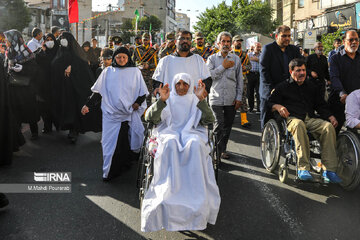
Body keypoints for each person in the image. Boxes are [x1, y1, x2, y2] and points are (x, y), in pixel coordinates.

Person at [141, 73, 220, 232]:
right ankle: (168, 193)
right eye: (178, 83)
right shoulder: (167, 98)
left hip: (192, 133)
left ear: (190, 85)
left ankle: (195, 195)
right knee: (169, 144)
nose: (182, 87)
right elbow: (150, 118)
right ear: (174, 84)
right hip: (169, 132)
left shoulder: (195, 99)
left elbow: (209, 120)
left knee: (195, 145)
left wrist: (201, 101)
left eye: (185, 84)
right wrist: (161, 101)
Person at [268, 58, 341, 183]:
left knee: (328, 127)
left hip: (309, 118)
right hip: (292, 119)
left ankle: (329, 170)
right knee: (299, 124)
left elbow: (321, 105)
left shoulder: (311, 86)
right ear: (291, 71)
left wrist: (330, 116)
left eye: (303, 70)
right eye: (298, 71)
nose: (302, 73)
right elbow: (269, 103)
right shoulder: (282, 86)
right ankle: (303, 168)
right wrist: (277, 106)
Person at [82, 47, 148, 181]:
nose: (121, 60)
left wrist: (137, 103)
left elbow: (142, 92)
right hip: (110, 115)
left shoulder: (135, 72)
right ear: (114, 59)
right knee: (109, 143)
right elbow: (98, 92)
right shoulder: (107, 72)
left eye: (124, 57)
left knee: (125, 141)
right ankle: (109, 171)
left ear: (128, 58)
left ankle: (125, 164)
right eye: (118, 57)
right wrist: (87, 105)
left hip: (128, 114)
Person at [51, 32, 101, 143]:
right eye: (61, 38)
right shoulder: (60, 51)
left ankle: (74, 130)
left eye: (65, 38)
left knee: (74, 108)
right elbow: (55, 65)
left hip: (75, 87)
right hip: (63, 87)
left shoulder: (77, 53)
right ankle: (68, 127)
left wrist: (72, 67)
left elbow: (82, 65)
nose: (62, 40)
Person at [207, 32, 243, 160]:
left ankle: (222, 149)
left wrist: (239, 98)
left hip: (230, 99)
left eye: (228, 41)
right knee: (218, 124)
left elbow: (240, 80)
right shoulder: (212, 59)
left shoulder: (236, 59)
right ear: (218, 44)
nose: (226, 44)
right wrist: (223, 66)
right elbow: (209, 76)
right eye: (223, 41)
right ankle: (215, 150)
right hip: (215, 98)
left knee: (227, 126)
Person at [259, 25, 302, 128]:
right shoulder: (268, 49)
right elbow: (264, 71)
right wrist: (271, 90)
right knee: (267, 121)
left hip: (288, 91)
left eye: (289, 36)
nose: (287, 38)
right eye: (284, 36)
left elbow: (301, 66)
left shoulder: (294, 50)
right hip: (270, 90)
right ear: (277, 36)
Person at [4, 29, 40, 140]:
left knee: (29, 110)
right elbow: (6, 66)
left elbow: (34, 69)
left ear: (14, 39)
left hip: (26, 88)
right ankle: (17, 134)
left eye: (7, 39)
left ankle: (34, 132)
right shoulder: (9, 52)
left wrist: (23, 68)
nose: (6, 41)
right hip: (13, 86)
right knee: (15, 111)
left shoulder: (26, 52)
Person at [152, 30, 212, 95]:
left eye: (188, 39)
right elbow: (157, 82)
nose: (185, 41)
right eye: (182, 38)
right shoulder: (165, 61)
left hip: (193, 102)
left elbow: (207, 79)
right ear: (175, 41)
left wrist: (204, 92)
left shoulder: (198, 59)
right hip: (171, 102)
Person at [329, 29, 360, 134]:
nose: (354, 42)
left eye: (356, 39)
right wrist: (342, 93)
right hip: (340, 100)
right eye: (351, 40)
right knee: (334, 131)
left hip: (357, 102)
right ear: (344, 41)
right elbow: (334, 78)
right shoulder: (335, 59)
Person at [35, 33, 59, 133]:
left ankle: (58, 124)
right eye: (47, 39)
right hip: (44, 85)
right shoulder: (41, 52)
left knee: (56, 106)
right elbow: (37, 61)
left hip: (56, 84)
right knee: (45, 107)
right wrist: (43, 51)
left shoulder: (58, 51)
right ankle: (47, 126)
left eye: (51, 39)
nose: (49, 41)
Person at [231, 35, 252, 128]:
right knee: (231, 98)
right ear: (233, 42)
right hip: (231, 79)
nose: (239, 42)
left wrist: (245, 67)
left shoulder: (245, 54)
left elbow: (249, 66)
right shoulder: (229, 54)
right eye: (237, 41)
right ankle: (230, 118)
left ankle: (244, 119)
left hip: (243, 79)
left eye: (240, 41)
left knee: (243, 99)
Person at [132, 33, 158, 105]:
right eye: (144, 40)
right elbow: (132, 61)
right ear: (142, 40)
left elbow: (156, 64)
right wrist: (138, 65)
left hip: (149, 75)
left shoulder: (152, 50)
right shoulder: (137, 49)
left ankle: (147, 110)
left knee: (148, 94)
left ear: (149, 40)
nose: (145, 41)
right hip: (139, 74)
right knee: (138, 92)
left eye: (147, 40)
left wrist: (148, 66)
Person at [247, 42, 261, 113]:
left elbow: (265, 63)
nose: (259, 48)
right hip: (250, 74)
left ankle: (259, 109)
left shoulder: (262, 55)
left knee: (259, 92)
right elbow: (245, 64)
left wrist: (257, 60)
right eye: (257, 47)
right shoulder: (248, 55)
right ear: (254, 47)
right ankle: (251, 108)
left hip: (259, 75)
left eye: (259, 47)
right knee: (250, 92)